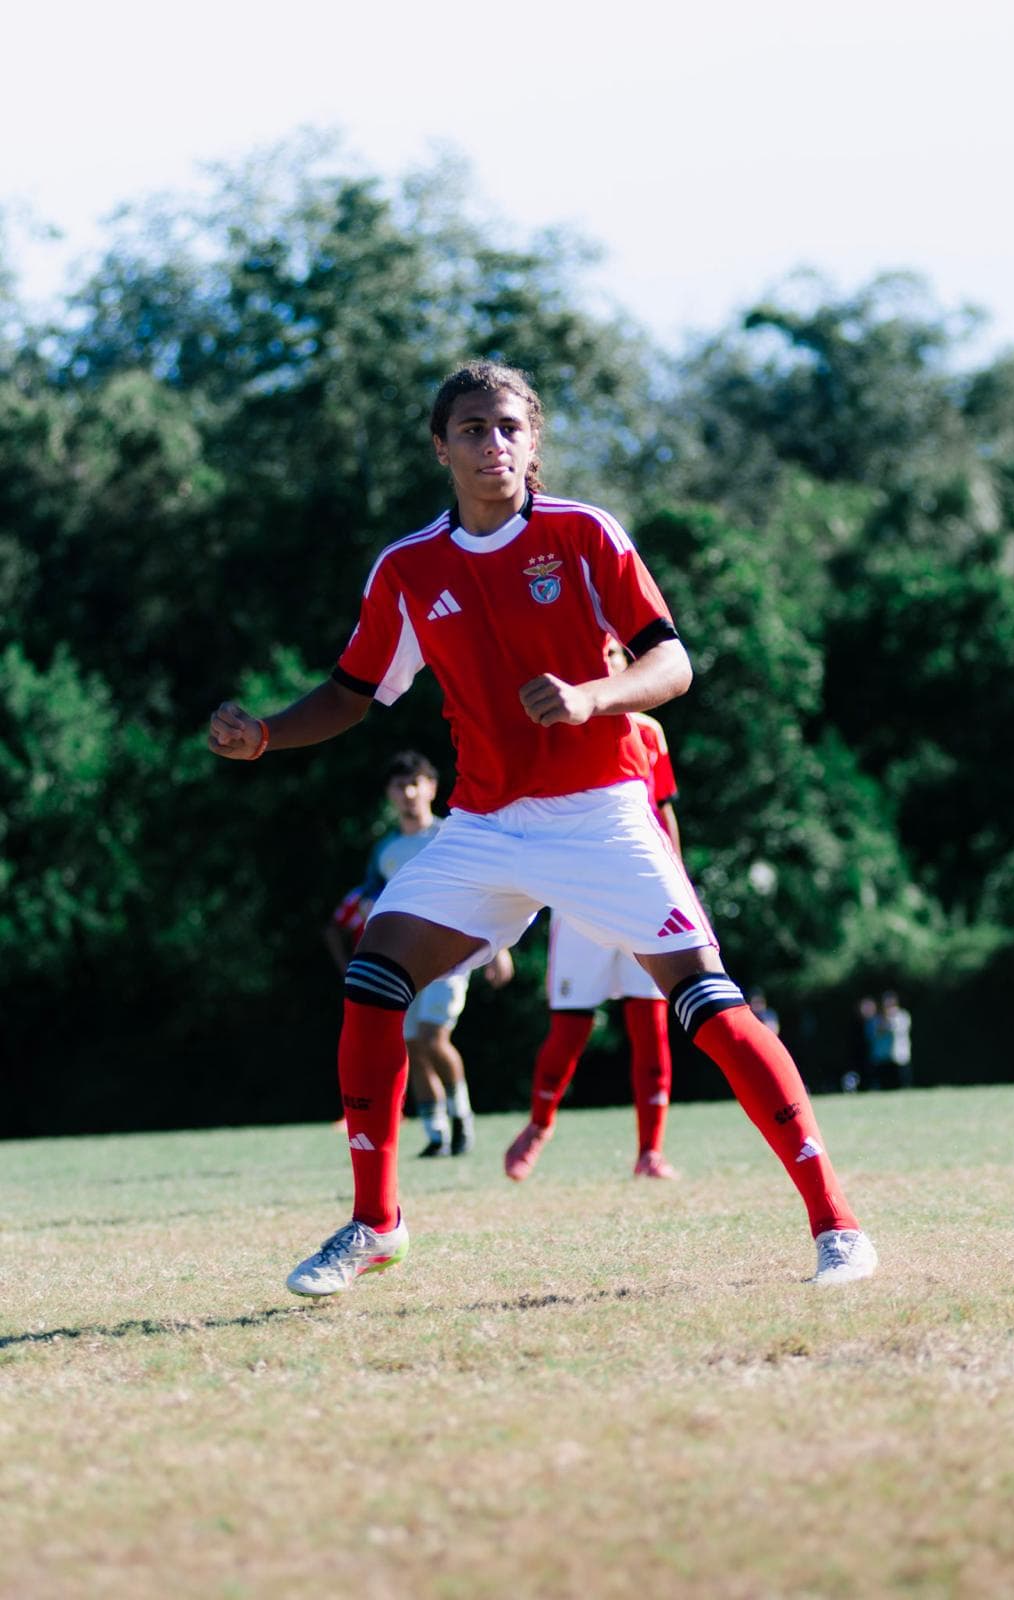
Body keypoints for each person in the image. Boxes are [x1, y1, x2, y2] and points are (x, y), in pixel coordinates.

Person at [208, 359, 877, 1295]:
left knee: (709, 1007)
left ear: (535, 442)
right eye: (474, 429)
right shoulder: (407, 568)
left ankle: (837, 1225)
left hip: (602, 815)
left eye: (511, 428)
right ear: (440, 446)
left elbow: (673, 664)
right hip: (483, 826)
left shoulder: (584, 534)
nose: (495, 445)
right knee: (373, 978)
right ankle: (375, 1223)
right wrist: (270, 734)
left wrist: (593, 696)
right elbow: (355, 692)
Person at [505, 640, 681, 1182]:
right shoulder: (561, 719)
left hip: (640, 894)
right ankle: (539, 1125)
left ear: (629, 665)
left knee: (649, 1024)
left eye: (614, 654)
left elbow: (664, 811)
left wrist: (677, 880)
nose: (605, 661)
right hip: (579, 896)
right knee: (570, 1028)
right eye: (597, 653)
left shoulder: (649, 731)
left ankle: (650, 1150)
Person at [325, 750, 513, 1155]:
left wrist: (497, 946)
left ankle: (461, 1117)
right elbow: (373, 897)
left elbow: (486, 887)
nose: (409, 792)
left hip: (451, 955)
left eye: (416, 783)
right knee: (410, 1043)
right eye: (400, 786)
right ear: (390, 795)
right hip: (404, 962)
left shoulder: (450, 834)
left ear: (431, 787)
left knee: (432, 1037)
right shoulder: (385, 850)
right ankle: (435, 1133)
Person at [872, 991, 913, 1091]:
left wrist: (890, 1019)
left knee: (904, 1086)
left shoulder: (903, 1015)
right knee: (885, 1087)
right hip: (883, 1058)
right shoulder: (878, 1018)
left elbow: (896, 1029)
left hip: (900, 1057)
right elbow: (875, 1033)